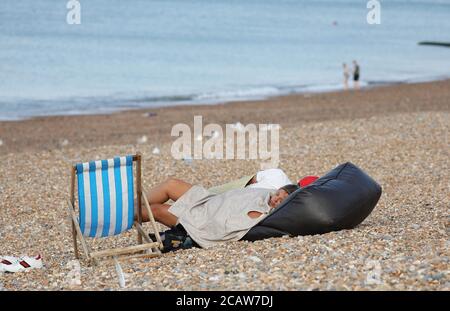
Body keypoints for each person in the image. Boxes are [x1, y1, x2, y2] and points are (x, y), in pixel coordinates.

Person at [140, 178, 298, 248]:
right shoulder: (266, 193)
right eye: (279, 194)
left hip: (199, 221)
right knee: (171, 184)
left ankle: (119, 217)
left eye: (282, 200)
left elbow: (226, 226)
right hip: (209, 201)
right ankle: (125, 206)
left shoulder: (265, 215)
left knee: (155, 210)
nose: (277, 199)